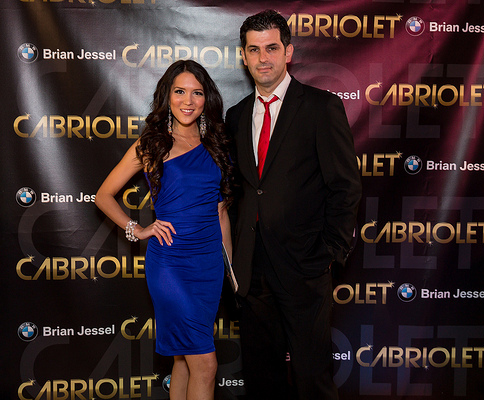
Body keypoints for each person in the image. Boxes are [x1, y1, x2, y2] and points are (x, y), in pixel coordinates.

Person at [225, 10, 362, 400]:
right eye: (254, 50)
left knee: (311, 378)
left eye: (271, 48)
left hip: (305, 266)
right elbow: (239, 192)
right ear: (244, 56)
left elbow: (345, 187)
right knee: (261, 380)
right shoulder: (236, 116)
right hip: (252, 272)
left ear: (288, 52)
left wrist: (329, 252)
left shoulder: (321, 107)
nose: (262, 58)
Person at [95, 60, 233, 400]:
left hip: (208, 267)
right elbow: (103, 195)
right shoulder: (152, 144)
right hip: (171, 263)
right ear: (167, 96)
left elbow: (221, 213)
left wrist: (230, 271)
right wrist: (137, 228)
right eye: (180, 91)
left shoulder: (215, 143)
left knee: (184, 361)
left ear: (206, 98)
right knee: (206, 364)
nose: (188, 101)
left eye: (197, 93)